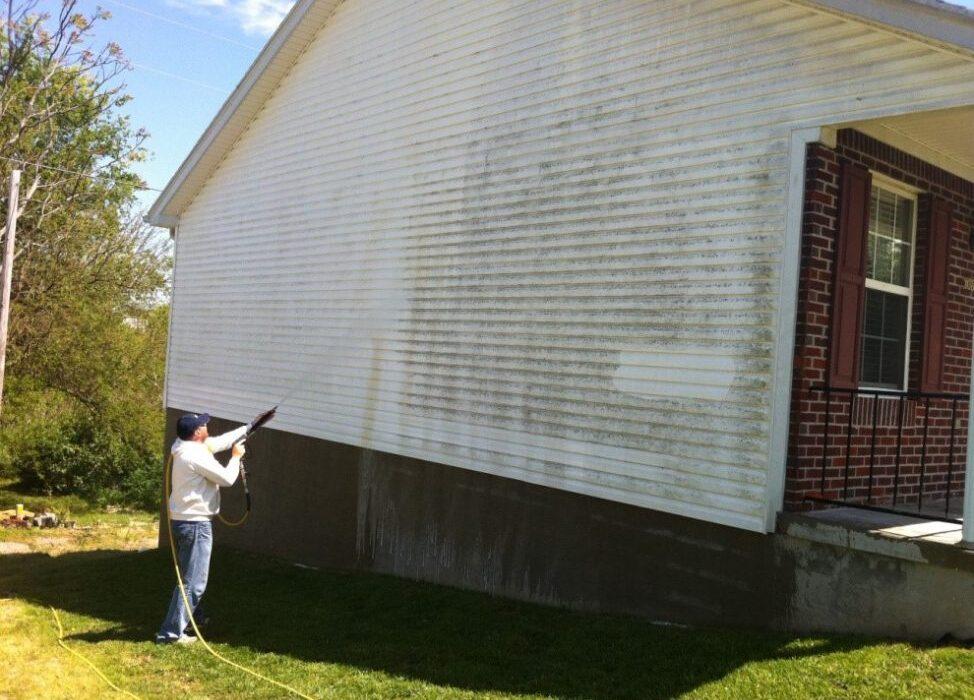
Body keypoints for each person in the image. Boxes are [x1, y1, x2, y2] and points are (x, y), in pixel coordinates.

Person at [155, 408, 274, 644]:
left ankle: (190, 619)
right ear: (198, 432)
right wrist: (236, 457)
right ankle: (170, 634)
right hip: (195, 525)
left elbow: (219, 442)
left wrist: (251, 425)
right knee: (193, 583)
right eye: (203, 424)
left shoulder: (187, 446)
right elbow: (227, 479)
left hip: (186, 521)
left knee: (189, 579)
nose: (207, 425)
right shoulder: (194, 456)